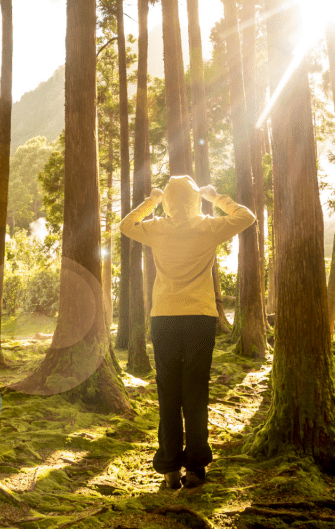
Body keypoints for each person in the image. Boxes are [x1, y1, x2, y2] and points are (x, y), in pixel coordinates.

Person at [119, 175, 256, 489]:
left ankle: (169, 468)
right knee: (196, 392)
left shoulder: (157, 227)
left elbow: (127, 225)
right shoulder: (207, 227)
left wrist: (150, 201)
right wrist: (216, 196)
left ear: (168, 200)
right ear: (195, 199)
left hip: (164, 318)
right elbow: (246, 216)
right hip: (200, 318)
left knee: (168, 391)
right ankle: (195, 467)